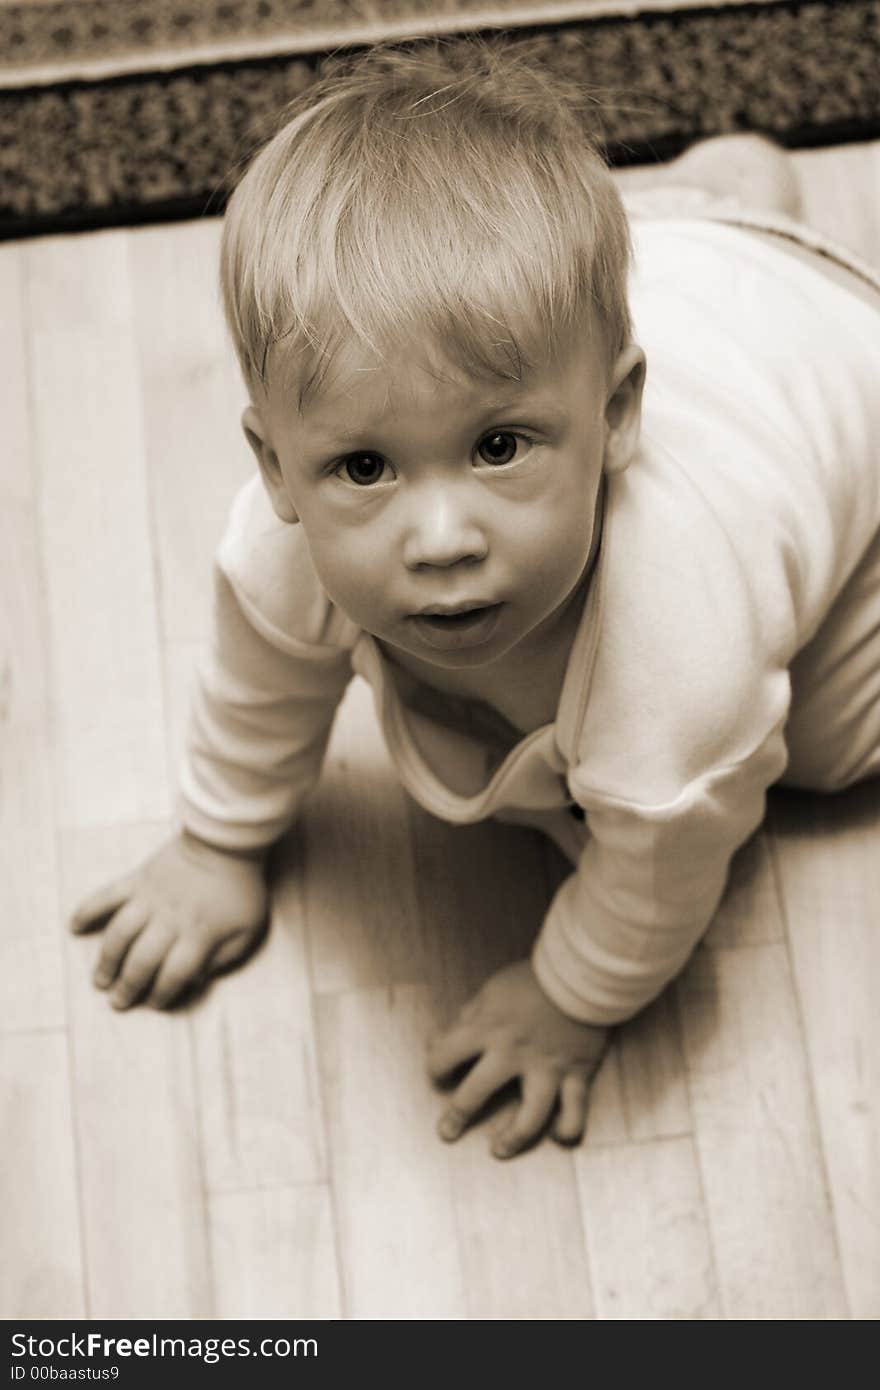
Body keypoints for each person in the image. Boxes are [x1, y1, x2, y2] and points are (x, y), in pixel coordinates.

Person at [70, 42, 880, 1159]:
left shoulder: (676, 657)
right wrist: (218, 843)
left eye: (498, 447)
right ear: (274, 465)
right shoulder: (279, 549)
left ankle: (739, 213)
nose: (441, 539)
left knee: (823, 752)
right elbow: (257, 689)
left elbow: (662, 869)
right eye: (363, 468)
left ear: (618, 416)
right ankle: (726, 197)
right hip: (700, 298)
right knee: (597, 295)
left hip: (840, 391)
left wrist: (568, 999)